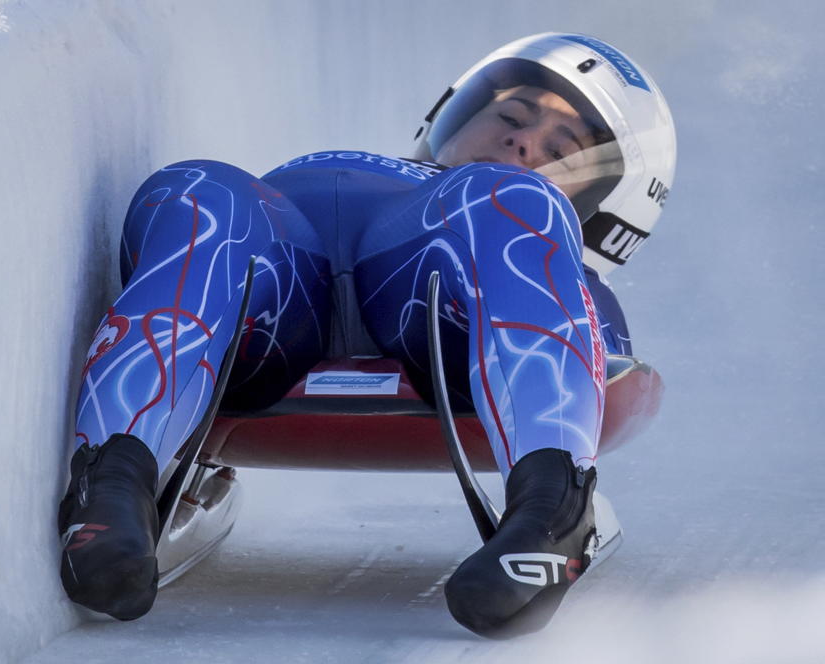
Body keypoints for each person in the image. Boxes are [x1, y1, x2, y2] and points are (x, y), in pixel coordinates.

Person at [57, 33, 676, 636]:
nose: (520, 137)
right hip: (283, 276)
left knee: (512, 201)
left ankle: (553, 507)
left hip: (438, 303)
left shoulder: (527, 220)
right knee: (200, 190)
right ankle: (110, 487)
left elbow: (608, 355)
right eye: (510, 115)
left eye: (561, 148)